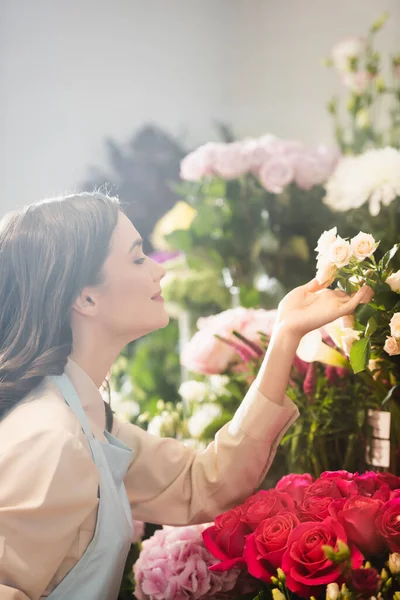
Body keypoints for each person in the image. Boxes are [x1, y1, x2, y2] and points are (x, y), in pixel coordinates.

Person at [0, 192, 373, 600]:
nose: (158, 272)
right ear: (85, 298)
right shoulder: (51, 439)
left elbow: (201, 484)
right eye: (138, 258)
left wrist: (285, 333)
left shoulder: (83, 417)